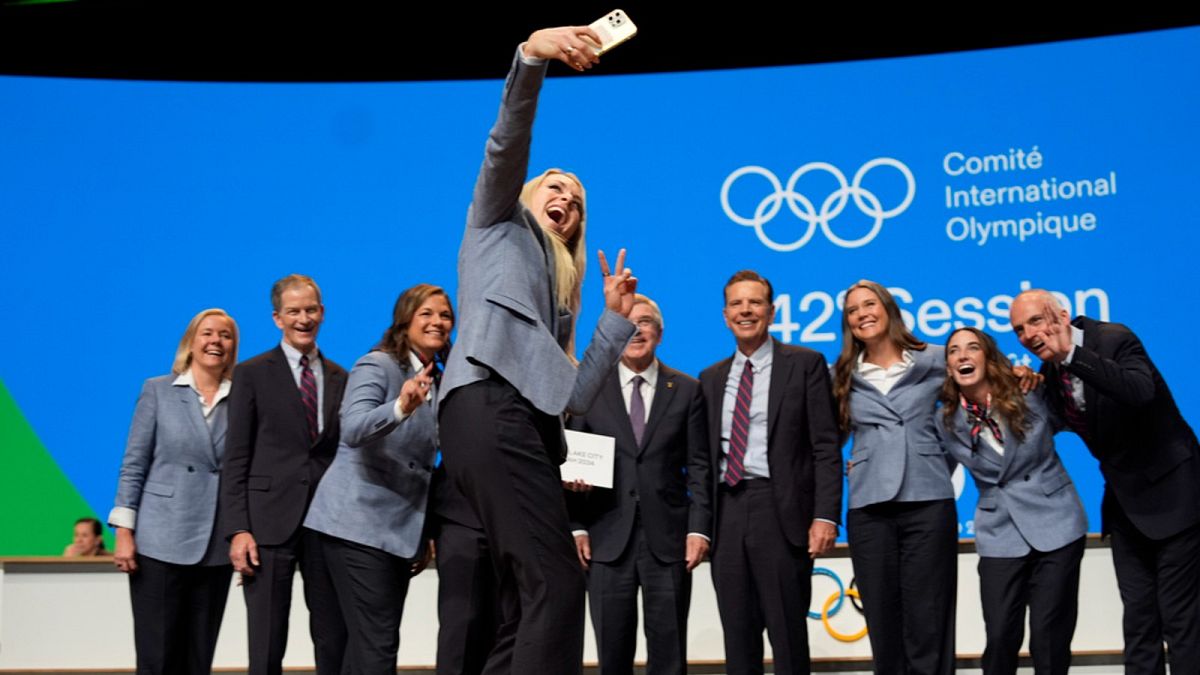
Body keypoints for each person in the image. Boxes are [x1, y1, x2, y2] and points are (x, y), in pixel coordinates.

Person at [436, 24, 639, 675]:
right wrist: (531, 56)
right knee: (556, 581)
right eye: (555, 186)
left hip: (517, 428)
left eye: (577, 200)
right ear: (528, 195)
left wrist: (610, 322)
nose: (566, 198)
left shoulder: (559, 295)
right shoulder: (496, 221)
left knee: (526, 598)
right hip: (485, 411)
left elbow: (571, 396)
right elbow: (506, 143)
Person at [1010, 289, 1200, 674]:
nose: (1028, 334)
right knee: (1139, 622)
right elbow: (1057, 425)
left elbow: (1140, 392)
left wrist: (1073, 356)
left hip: (1176, 498)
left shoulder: (1112, 338)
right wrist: (1024, 393)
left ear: (1063, 316)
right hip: (1126, 510)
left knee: (1180, 621)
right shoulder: (1049, 373)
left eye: (1035, 321)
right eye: (1018, 330)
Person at [698, 270, 842, 675]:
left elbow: (826, 447)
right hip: (726, 514)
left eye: (755, 302)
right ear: (725, 315)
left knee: (787, 633)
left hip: (781, 512)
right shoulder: (709, 379)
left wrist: (825, 514)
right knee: (738, 636)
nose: (746, 311)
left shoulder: (806, 365)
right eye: (737, 304)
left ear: (771, 312)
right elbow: (701, 461)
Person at [303, 283, 450, 674]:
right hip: (356, 526)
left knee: (363, 649)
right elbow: (352, 429)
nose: (438, 321)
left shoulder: (442, 379)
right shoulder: (379, 365)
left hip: (396, 533)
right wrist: (400, 406)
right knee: (375, 648)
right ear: (405, 320)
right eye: (427, 313)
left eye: (445, 315)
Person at [567, 294, 712, 675]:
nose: (636, 329)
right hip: (605, 539)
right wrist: (576, 525)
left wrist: (699, 529)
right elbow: (566, 459)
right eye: (628, 322)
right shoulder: (587, 389)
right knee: (612, 657)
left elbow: (699, 466)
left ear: (659, 334)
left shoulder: (686, 389)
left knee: (669, 656)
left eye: (645, 322)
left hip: (668, 542)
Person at [218, 274, 349, 675]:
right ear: (277, 318)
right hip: (266, 526)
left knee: (333, 635)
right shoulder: (251, 374)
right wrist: (238, 529)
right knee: (267, 639)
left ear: (322, 313)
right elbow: (235, 457)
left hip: (326, 525)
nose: (303, 318)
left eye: (310, 310)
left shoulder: (342, 377)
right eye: (293, 311)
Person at [937, 327, 1087, 675]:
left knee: (1049, 638)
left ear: (989, 359)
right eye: (954, 351)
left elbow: (1079, 413)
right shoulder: (945, 420)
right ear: (948, 367)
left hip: (1058, 523)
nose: (963, 356)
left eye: (973, 348)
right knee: (1001, 634)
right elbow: (932, 468)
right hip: (999, 532)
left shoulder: (1030, 392)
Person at [831, 280, 957, 675]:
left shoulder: (936, 359)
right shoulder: (840, 374)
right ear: (847, 323)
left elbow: (983, 393)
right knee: (883, 619)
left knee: (929, 616)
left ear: (889, 309)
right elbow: (824, 439)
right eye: (853, 310)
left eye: (870, 304)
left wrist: (1025, 375)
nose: (862, 314)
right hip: (870, 507)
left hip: (928, 498)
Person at [108, 308, 238, 674]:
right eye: (208, 333)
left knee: (199, 659)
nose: (216, 341)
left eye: (225, 335)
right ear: (191, 342)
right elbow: (134, 463)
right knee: (158, 658)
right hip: (159, 542)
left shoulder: (243, 397)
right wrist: (123, 531)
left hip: (216, 546)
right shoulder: (158, 391)